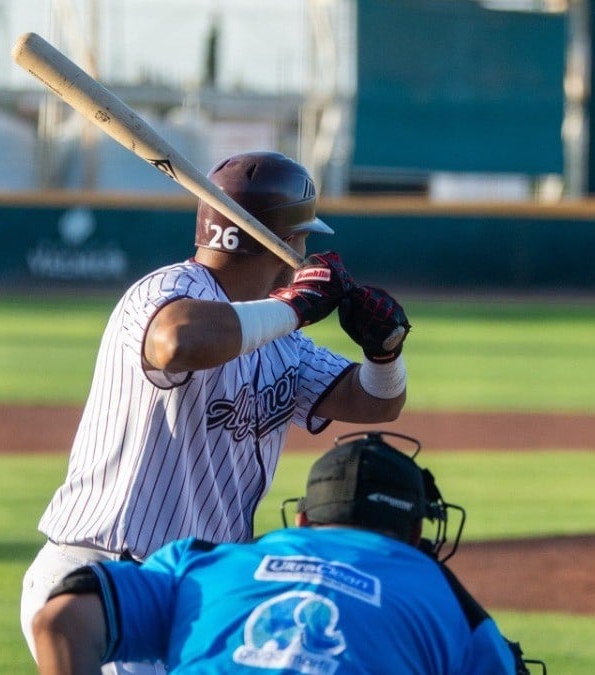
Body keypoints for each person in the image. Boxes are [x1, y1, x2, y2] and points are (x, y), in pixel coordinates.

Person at [21, 151, 413, 673]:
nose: (305, 252)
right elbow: (176, 341)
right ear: (281, 241)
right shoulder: (167, 292)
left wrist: (385, 354)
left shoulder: (280, 336)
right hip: (105, 580)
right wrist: (295, 306)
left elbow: (376, 401)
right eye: (302, 237)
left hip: (192, 588)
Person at [30, 430, 536, 675]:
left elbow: (60, 619)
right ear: (413, 534)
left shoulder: (200, 564)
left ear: (302, 520)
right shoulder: (445, 601)